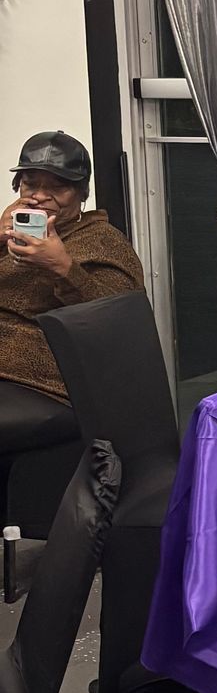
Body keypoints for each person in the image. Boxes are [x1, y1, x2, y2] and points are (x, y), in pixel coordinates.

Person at [0, 131, 145, 472]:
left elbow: (116, 325)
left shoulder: (102, 243)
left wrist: (61, 267)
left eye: (57, 187)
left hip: (43, 383)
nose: (39, 197)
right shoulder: (11, 236)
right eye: (29, 183)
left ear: (81, 193)